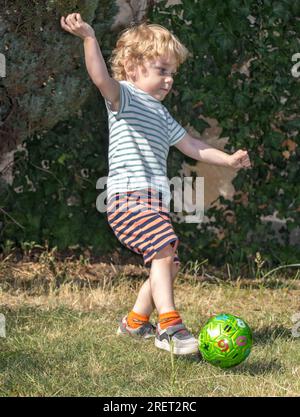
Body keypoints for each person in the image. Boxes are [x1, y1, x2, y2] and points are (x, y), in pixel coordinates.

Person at [61, 13, 251, 355]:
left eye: (172, 74)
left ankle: (135, 323)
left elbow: (192, 145)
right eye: (162, 70)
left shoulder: (162, 114)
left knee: (169, 261)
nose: (169, 80)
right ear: (133, 68)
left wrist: (227, 160)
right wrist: (89, 37)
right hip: (126, 199)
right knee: (163, 247)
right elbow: (100, 77)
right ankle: (170, 327)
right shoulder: (124, 98)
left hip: (152, 201)